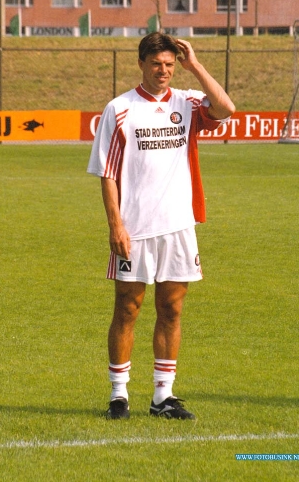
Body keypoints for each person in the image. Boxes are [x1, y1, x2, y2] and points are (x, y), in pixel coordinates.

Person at [88, 32, 235, 420]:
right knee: (127, 308)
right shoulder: (119, 109)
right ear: (141, 64)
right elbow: (106, 174)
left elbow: (226, 108)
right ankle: (119, 395)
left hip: (178, 227)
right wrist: (115, 225)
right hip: (134, 228)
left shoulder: (186, 103)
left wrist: (196, 66)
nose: (164, 70)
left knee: (171, 310)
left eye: (170, 64)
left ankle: (162, 397)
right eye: (157, 64)